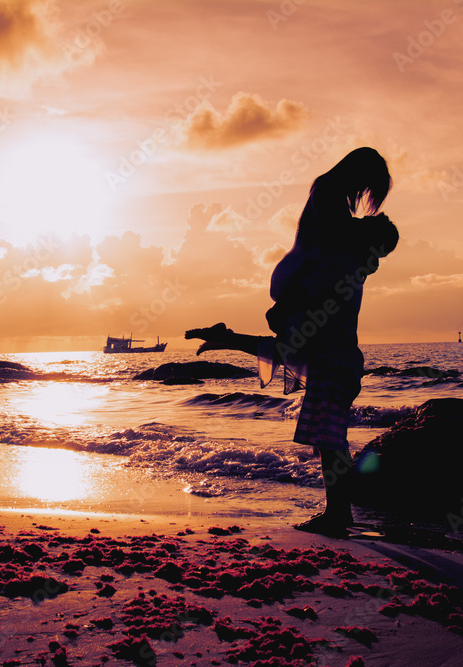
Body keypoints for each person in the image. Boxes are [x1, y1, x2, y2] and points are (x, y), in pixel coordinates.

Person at [186, 147, 398, 538]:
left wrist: (282, 309)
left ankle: (339, 514)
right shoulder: (339, 246)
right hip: (335, 360)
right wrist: (235, 336)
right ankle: (339, 513)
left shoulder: (341, 264)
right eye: (366, 189)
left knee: (330, 441)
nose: (362, 201)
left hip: (337, 362)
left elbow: (292, 336)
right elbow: (287, 350)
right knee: (327, 438)